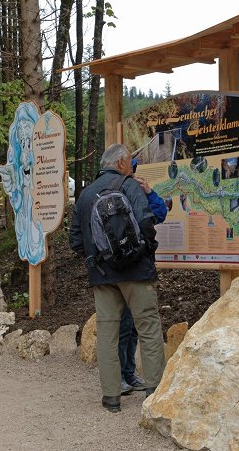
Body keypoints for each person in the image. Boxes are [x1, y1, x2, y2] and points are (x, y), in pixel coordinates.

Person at [70, 144, 166, 413]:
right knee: (148, 328)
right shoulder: (129, 186)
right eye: (130, 162)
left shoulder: (85, 195)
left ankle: (111, 397)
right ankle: (155, 390)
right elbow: (147, 221)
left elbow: (76, 241)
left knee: (108, 334)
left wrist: (101, 256)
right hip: (137, 272)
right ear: (122, 162)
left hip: (102, 276)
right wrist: (144, 251)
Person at [119, 160, 167, 395]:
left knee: (134, 326)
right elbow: (158, 215)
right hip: (125, 269)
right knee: (125, 325)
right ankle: (123, 376)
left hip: (131, 268)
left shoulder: (136, 191)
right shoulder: (118, 190)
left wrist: (148, 191)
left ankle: (128, 374)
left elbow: (159, 213)